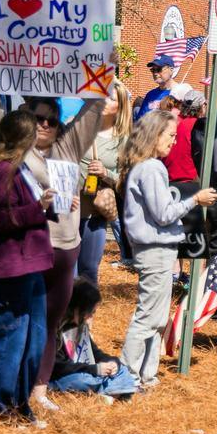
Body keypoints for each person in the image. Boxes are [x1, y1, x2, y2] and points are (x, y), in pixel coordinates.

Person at [116, 110, 217, 385]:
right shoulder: (151, 168)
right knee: (148, 316)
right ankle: (125, 375)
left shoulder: (147, 166)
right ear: (155, 134)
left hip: (158, 248)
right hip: (153, 249)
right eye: (171, 136)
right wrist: (195, 200)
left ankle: (146, 374)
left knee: (159, 317)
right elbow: (163, 214)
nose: (174, 142)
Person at [21, 93, 105, 409]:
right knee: (25, 320)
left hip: (65, 249)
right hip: (30, 248)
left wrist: (101, 75)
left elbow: (92, 112)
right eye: (38, 118)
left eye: (51, 120)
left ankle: (39, 390)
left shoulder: (67, 150)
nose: (45, 125)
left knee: (51, 323)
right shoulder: (18, 151)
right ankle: (18, 383)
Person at [0, 110, 54, 418]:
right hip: (8, 268)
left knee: (33, 338)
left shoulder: (17, 170)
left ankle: (19, 402)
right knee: (10, 336)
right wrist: (37, 208)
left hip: (29, 264)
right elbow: (0, 219)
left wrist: (47, 206)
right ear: (27, 138)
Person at [79, 76, 135, 284]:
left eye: (111, 99)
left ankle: (84, 315)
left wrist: (105, 173)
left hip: (95, 211)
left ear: (120, 107)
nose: (104, 101)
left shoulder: (124, 140)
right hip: (70, 207)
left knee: (88, 269)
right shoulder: (79, 127)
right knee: (67, 270)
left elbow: (126, 182)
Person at [136, 54, 178, 118]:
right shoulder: (150, 94)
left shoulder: (179, 93)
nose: (155, 73)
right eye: (153, 70)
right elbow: (140, 120)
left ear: (171, 70)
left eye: (159, 69)